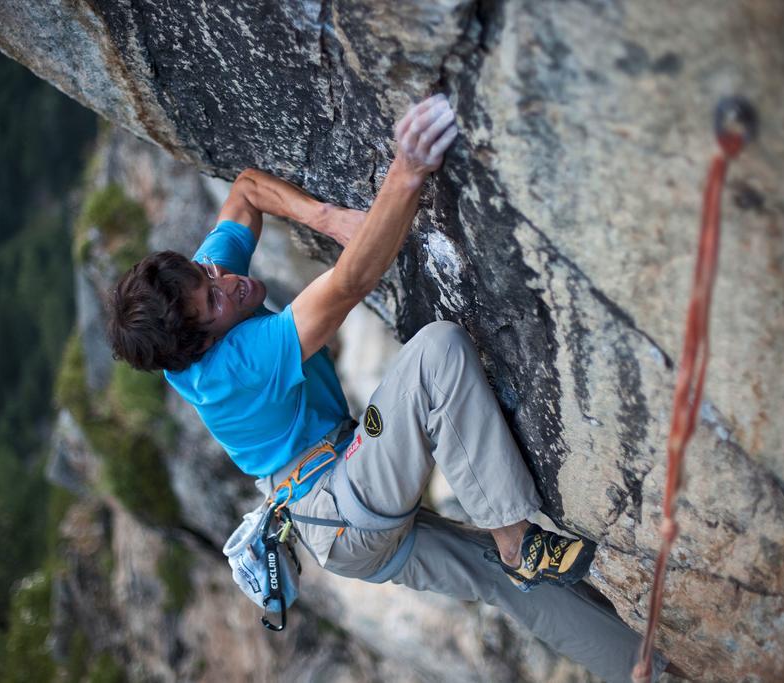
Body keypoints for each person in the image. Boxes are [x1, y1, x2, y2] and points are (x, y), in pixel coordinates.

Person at [107, 95, 670, 682]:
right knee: (435, 353)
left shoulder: (200, 306)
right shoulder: (231, 365)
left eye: (210, 274)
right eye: (215, 298)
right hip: (340, 505)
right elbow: (352, 281)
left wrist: (327, 217)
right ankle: (517, 539)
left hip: (335, 510)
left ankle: (643, 673)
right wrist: (406, 172)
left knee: (515, 590)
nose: (228, 280)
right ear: (201, 344)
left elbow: (246, 189)